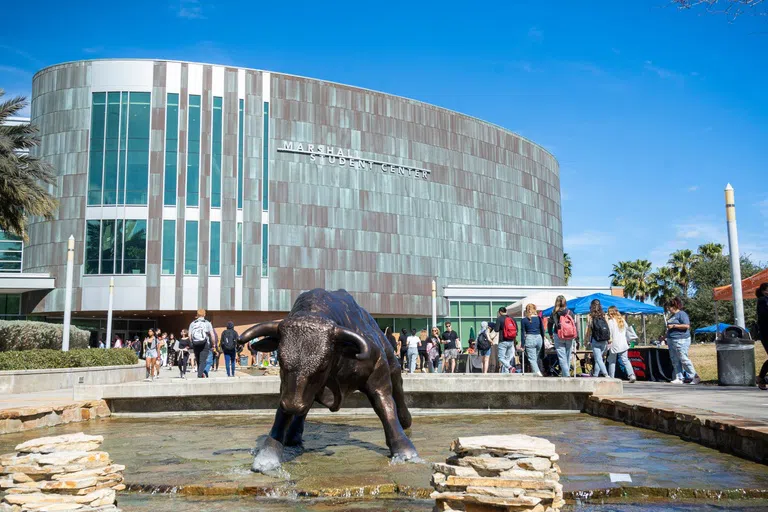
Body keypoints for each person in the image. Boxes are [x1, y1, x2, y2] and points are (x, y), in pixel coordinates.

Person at [665, 297, 700, 385]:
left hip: (681, 339)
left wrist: (674, 326)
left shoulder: (682, 314)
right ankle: (679, 377)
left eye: (669, 307)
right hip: (671, 339)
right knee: (675, 359)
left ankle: (694, 376)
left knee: (683, 358)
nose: (668, 309)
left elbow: (686, 326)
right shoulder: (672, 316)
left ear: (674, 306)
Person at [606, 306, 637, 383]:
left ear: (610, 313)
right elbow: (627, 332)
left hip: (614, 344)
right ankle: (631, 375)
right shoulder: (622, 320)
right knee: (625, 360)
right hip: (624, 344)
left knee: (612, 361)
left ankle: (612, 377)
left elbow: (609, 334)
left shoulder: (611, 322)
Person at [548, 295, 576, 378]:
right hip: (570, 336)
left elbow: (550, 324)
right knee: (567, 356)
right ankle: (565, 375)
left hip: (559, 335)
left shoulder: (554, 313)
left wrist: (550, 334)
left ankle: (566, 375)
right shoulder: (570, 312)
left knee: (562, 357)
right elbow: (574, 324)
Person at [584, 299, 610, 378]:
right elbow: (608, 328)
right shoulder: (604, 315)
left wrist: (586, 340)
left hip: (595, 339)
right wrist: (609, 339)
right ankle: (595, 375)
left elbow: (588, 330)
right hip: (604, 340)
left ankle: (606, 374)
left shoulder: (590, 316)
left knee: (598, 359)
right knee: (599, 358)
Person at [189, 309, 217, 379]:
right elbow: (212, 335)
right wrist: (214, 344)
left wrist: (193, 342)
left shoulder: (193, 323)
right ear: (204, 314)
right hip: (204, 343)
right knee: (203, 361)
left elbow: (189, 335)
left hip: (195, 344)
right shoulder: (207, 323)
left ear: (197, 315)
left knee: (198, 360)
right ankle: (199, 376)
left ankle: (200, 374)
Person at [521, 304, 544, 376]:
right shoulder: (539, 318)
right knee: (535, 358)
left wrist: (522, 345)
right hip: (539, 338)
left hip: (530, 338)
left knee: (532, 359)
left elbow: (522, 333)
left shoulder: (524, 320)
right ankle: (535, 373)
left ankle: (538, 373)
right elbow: (542, 330)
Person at [493, 307, 517, 374]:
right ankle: (506, 373)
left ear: (500, 312)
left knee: (500, 358)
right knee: (507, 358)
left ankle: (510, 367)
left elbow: (496, 330)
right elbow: (516, 329)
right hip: (511, 341)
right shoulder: (512, 319)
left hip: (502, 340)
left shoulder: (499, 319)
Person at [756, 283, 768, 390]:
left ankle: (761, 378)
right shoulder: (762, 300)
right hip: (766, 333)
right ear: (764, 291)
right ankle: (761, 377)